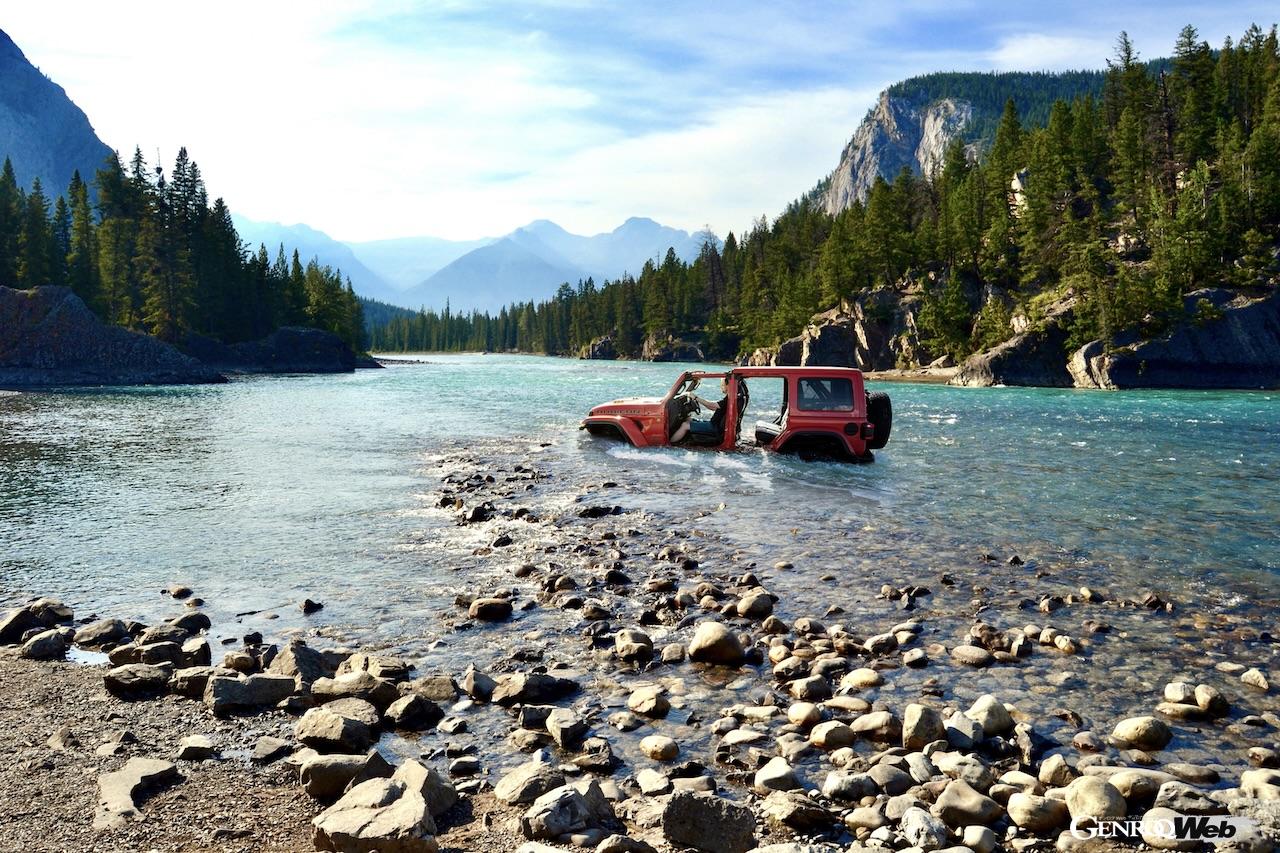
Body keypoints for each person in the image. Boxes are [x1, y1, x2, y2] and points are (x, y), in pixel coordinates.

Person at [671, 377, 729, 443]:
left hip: (714, 427)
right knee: (688, 419)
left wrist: (695, 397)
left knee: (685, 425)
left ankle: (669, 444)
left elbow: (712, 405)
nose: (721, 387)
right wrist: (698, 400)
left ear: (727, 385)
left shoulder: (727, 399)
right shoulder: (729, 398)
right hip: (715, 424)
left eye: (722, 385)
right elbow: (711, 407)